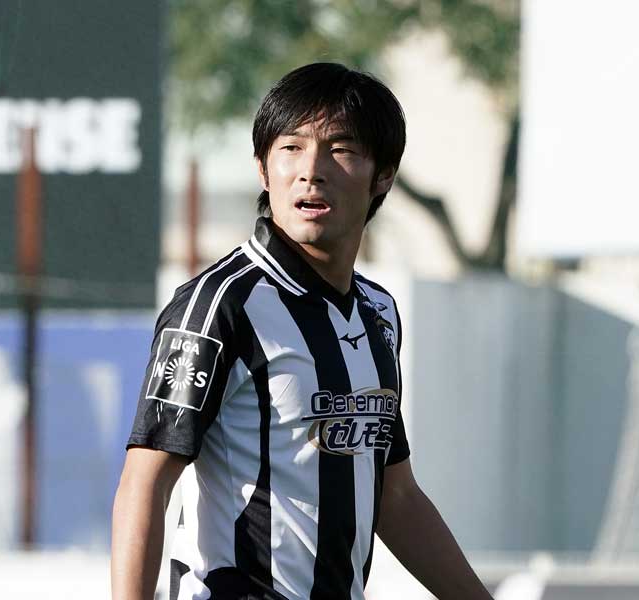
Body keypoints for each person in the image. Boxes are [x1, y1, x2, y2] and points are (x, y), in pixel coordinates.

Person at [111, 62, 493, 600]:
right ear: (263, 169)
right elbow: (144, 482)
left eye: (341, 149)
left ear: (383, 176)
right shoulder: (220, 305)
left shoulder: (378, 312)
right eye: (291, 147)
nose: (311, 170)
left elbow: (396, 496)